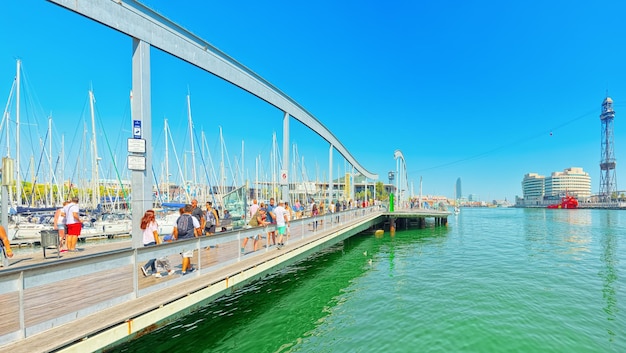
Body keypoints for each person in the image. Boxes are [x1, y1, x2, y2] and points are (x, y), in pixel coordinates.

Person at [172, 204, 201, 275]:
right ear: (191, 210)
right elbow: (198, 229)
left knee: (185, 254)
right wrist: (200, 236)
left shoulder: (178, 218)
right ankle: (183, 271)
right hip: (189, 239)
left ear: (184, 210)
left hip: (180, 238)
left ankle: (189, 268)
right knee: (186, 255)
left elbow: (175, 230)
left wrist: (176, 238)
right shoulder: (192, 218)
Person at [140, 210, 159, 277]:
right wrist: (158, 242)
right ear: (152, 216)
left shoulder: (144, 223)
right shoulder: (153, 223)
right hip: (152, 241)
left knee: (151, 256)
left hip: (145, 242)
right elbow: (155, 233)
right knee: (156, 255)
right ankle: (145, 267)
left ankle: (153, 270)